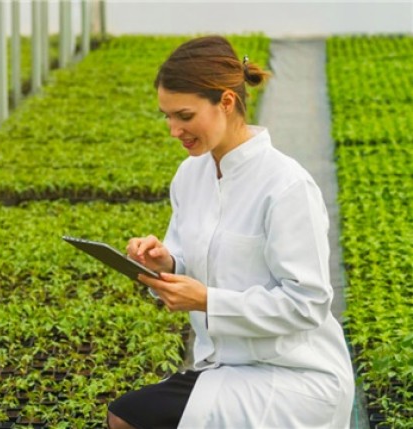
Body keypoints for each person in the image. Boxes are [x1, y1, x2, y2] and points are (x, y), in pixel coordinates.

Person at [106, 35, 355, 428]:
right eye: (167, 116)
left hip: (294, 374)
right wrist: (166, 262)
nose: (173, 130)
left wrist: (208, 300)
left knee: (129, 417)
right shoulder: (191, 175)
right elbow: (190, 260)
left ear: (225, 101)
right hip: (225, 363)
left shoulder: (286, 186)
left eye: (184, 116)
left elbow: (308, 304)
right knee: (129, 415)